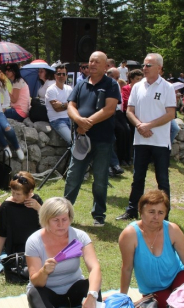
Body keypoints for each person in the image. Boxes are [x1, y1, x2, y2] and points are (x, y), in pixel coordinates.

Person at [26, 197, 118, 308]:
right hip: (47, 291)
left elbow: (95, 268)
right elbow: (36, 282)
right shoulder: (34, 241)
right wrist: (44, 271)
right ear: (46, 220)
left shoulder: (80, 236)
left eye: (65, 219)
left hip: (73, 288)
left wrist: (92, 296)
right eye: (56, 220)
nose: (61, 225)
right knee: (34, 292)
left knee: (91, 284)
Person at [119, 189, 184, 308]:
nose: (156, 217)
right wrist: (122, 298)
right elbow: (127, 268)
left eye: (161, 212)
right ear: (141, 211)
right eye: (151, 212)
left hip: (177, 277)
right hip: (154, 289)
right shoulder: (129, 235)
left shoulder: (173, 230)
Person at [116, 53, 176, 221]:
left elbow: (171, 113)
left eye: (149, 65)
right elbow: (129, 111)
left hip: (160, 141)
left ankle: (164, 215)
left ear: (159, 68)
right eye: (144, 65)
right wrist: (139, 126)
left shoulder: (167, 87)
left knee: (162, 179)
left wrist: (149, 126)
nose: (144, 68)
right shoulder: (137, 86)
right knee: (137, 178)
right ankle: (132, 210)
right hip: (141, 140)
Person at [64, 51, 120, 227]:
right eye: (90, 61)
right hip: (81, 140)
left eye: (97, 62)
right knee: (73, 176)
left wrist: (87, 122)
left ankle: (99, 215)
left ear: (105, 66)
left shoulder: (111, 85)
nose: (92, 64)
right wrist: (79, 120)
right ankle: (64, 213)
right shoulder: (80, 85)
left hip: (103, 140)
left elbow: (110, 109)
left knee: (100, 179)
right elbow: (70, 105)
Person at [0, 172, 42, 263]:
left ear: (29, 193)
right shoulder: (6, 207)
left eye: (18, 194)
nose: (14, 196)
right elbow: (1, 234)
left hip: (36, 244)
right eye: (12, 192)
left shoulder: (36, 201)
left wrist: (39, 209)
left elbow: (47, 225)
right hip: (17, 248)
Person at [45, 64, 73, 145]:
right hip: (57, 120)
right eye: (59, 74)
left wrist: (63, 105)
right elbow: (56, 109)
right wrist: (68, 104)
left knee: (80, 140)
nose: (61, 76)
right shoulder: (51, 90)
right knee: (72, 141)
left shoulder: (69, 89)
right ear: (55, 75)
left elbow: (74, 105)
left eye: (63, 74)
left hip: (70, 119)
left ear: (67, 76)